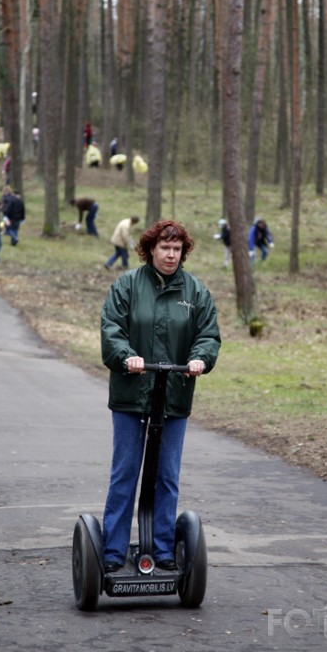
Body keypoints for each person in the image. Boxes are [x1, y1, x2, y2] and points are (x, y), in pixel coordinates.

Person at [100, 220, 221, 573]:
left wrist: (200, 358)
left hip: (174, 397)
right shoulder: (127, 285)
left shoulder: (195, 292)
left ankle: (164, 549)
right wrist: (126, 356)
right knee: (125, 474)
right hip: (130, 397)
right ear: (151, 249)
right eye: (165, 248)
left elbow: (208, 335)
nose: (171, 255)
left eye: (177, 249)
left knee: (167, 476)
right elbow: (112, 330)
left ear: (183, 253)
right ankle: (112, 551)